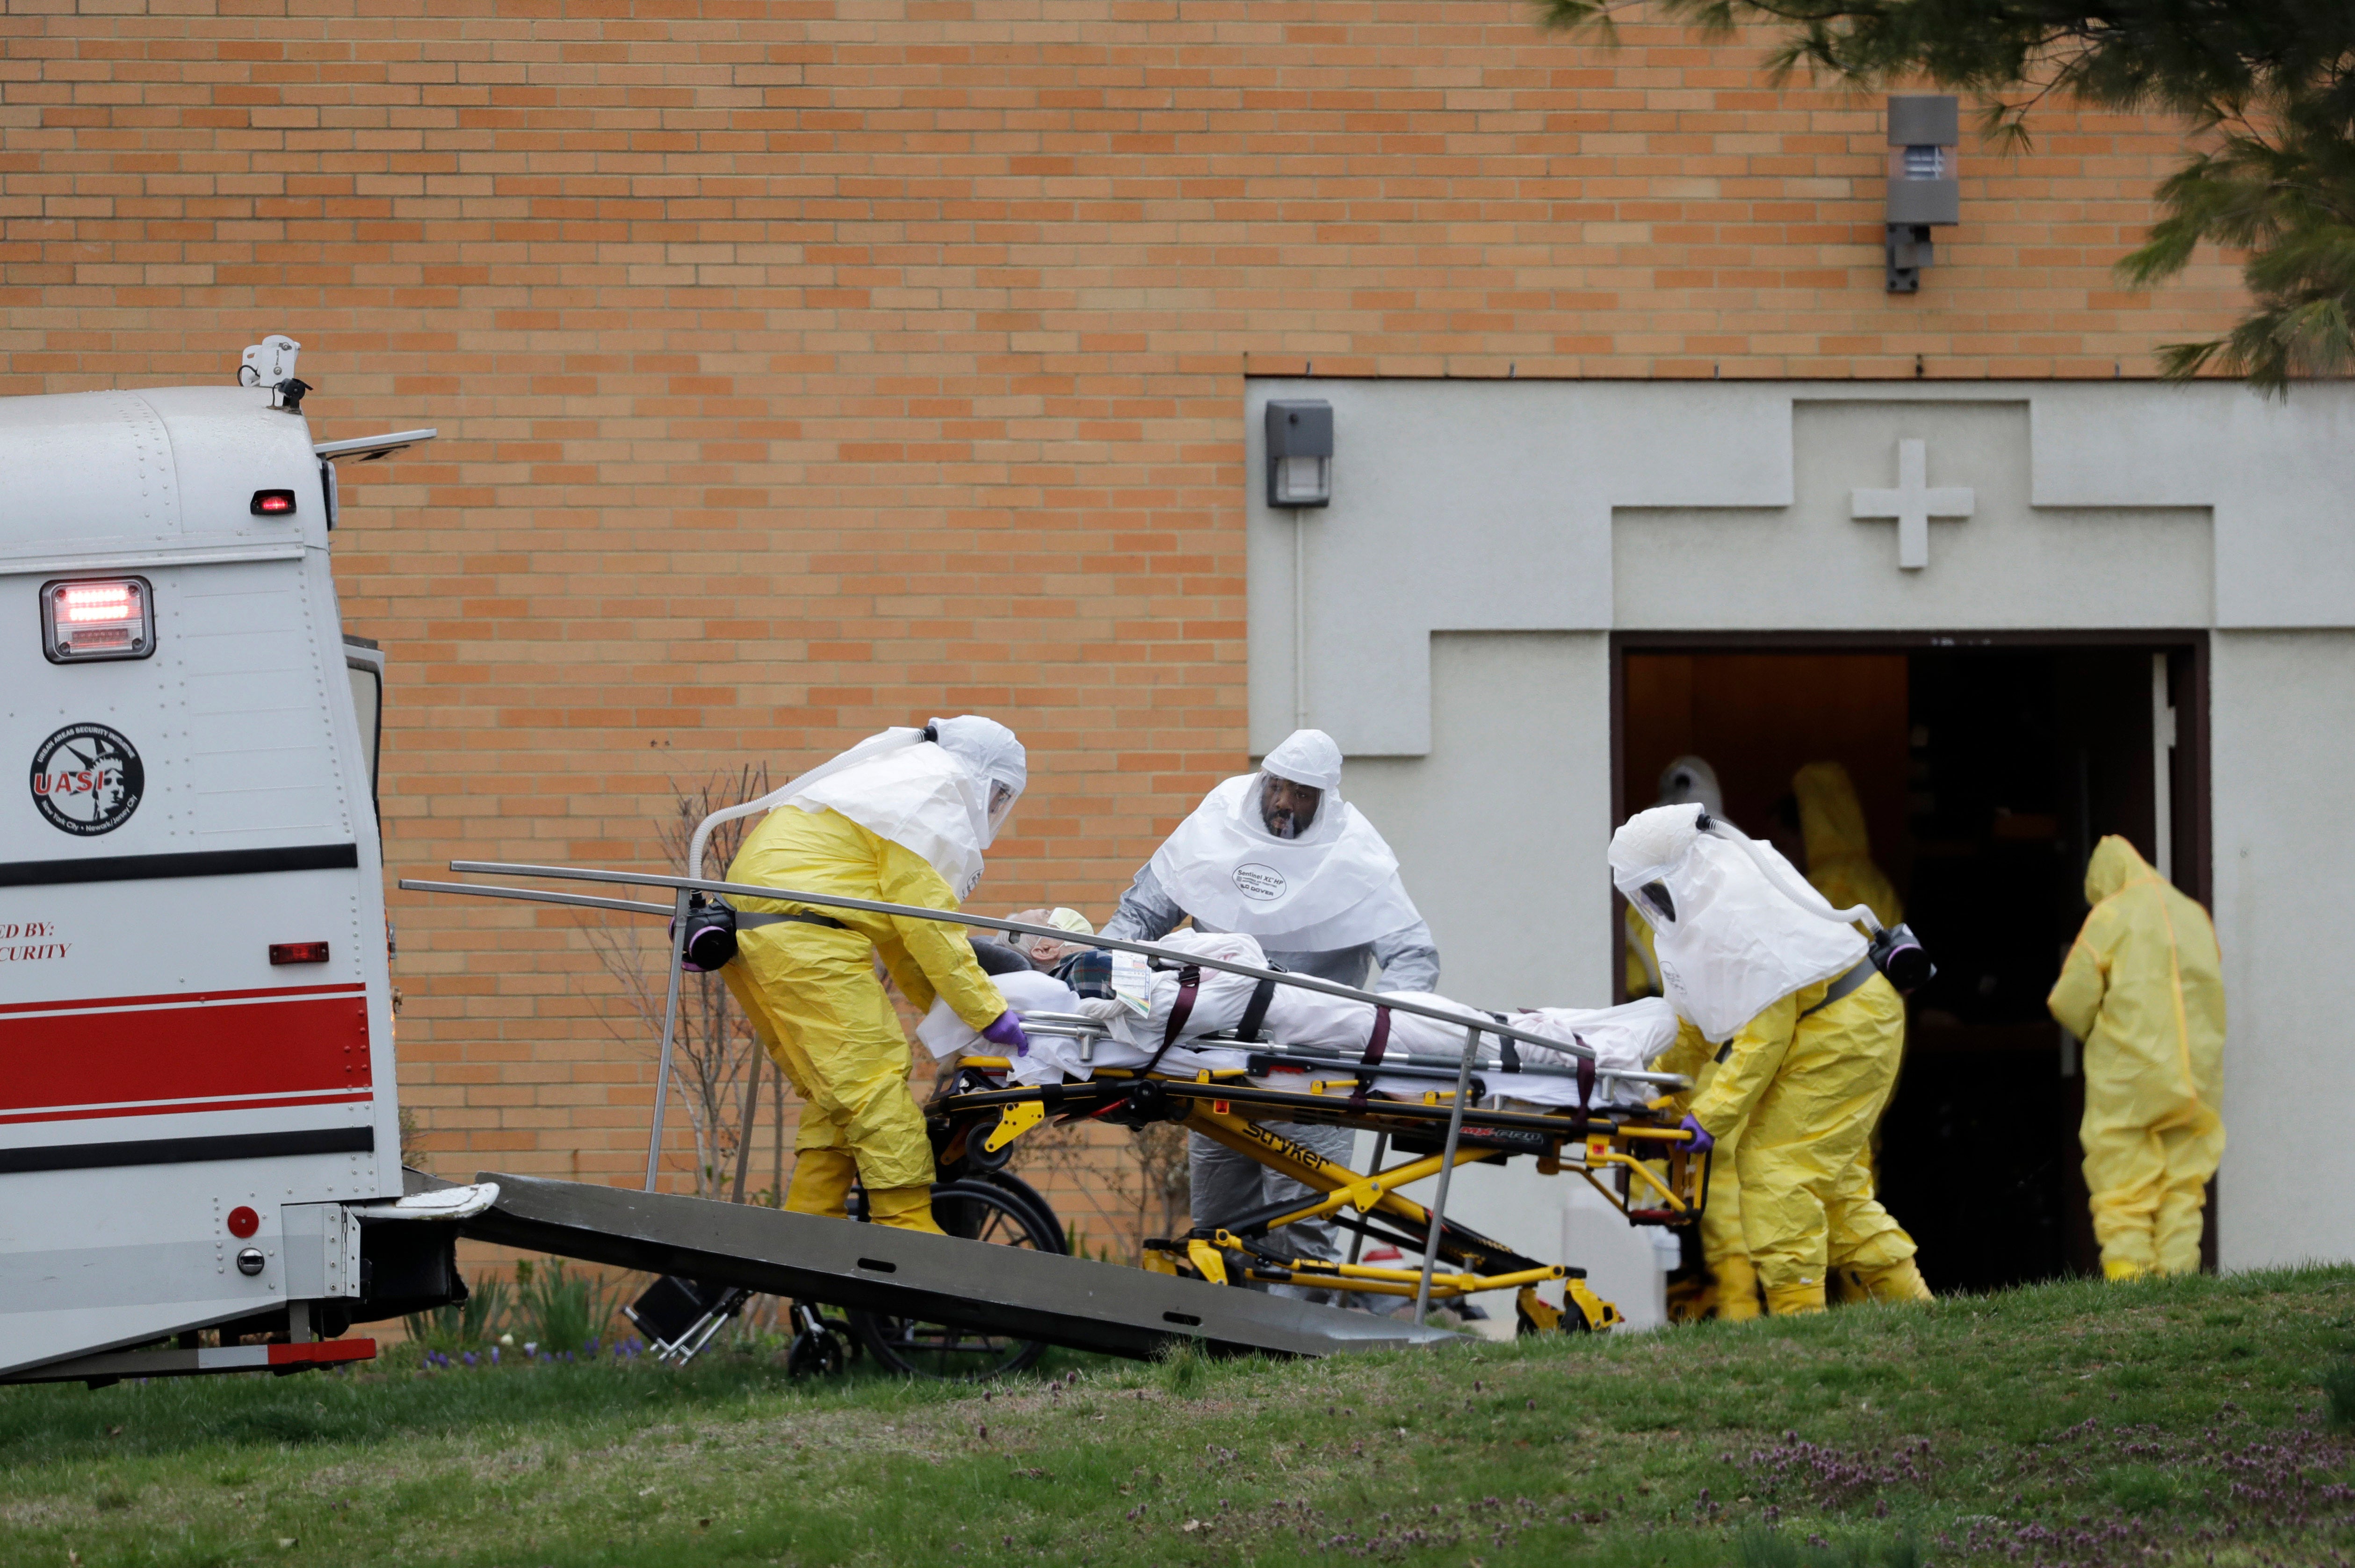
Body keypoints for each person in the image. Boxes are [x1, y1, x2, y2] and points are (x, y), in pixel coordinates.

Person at [1100, 728, 1438, 1297]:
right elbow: (1133, 924)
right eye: (1278, 786)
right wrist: (1133, 1017)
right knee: (1217, 1226)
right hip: (1216, 1066)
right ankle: (1228, 1363)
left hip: (1314, 1075)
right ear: (1263, 780)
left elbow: (1412, 957)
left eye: (1303, 794)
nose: (1285, 803)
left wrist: (1371, 1046)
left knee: (1303, 1227)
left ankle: (1303, 1367)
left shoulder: (1351, 853)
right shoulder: (1215, 829)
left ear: (1324, 800)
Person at [1614, 802, 1930, 1316]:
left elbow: (1765, 1033)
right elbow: (1692, 1030)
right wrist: (1657, 1097)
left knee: (1774, 1167)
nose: (1652, 904)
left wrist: (1708, 1117)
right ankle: (1915, 1308)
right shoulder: (1701, 922)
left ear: (1682, 873)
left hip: (1842, 1026)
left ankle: (1798, 1319)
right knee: (1834, 1187)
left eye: (1653, 890)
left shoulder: (1737, 911)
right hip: (1838, 1021)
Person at [721, 717, 1032, 1234]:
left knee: (837, 1090)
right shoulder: (929, 799)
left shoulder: (887, 786)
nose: (995, 806)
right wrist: (988, 1012)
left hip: (751, 935)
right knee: (875, 1082)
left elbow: (903, 940)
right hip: (806, 936)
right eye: (997, 793)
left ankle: (809, 1220)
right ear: (978, 776)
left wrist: (949, 1007)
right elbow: (931, 927)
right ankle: (907, 1227)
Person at [2047, 835, 2225, 1281]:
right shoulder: (2192, 913)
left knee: (2122, 1183)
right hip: (2195, 1079)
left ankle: (2129, 1282)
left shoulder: (2111, 914)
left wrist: (2094, 1031)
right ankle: (2178, 1283)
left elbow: (2069, 1001)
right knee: (2183, 1187)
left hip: (2130, 1077)